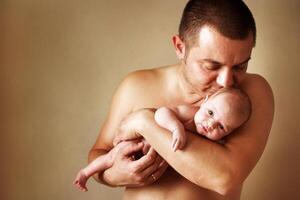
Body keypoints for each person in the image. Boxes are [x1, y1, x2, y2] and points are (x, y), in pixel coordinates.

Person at [88, 0, 274, 199]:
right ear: (180, 47)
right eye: (212, 66)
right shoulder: (135, 85)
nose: (226, 82)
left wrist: (144, 122)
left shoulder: (247, 96)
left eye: (239, 67)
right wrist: (113, 175)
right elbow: (99, 152)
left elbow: (225, 178)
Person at [73, 87, 251, 192]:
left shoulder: (213, 141)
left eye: (221, 127)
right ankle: (85, 173)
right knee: (110, 158)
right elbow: (161, 113)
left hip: (151, 161)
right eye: (210, 113)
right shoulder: (190, 113)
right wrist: (176, 127)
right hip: (137, 143)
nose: (210, 124)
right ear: (204, 102)